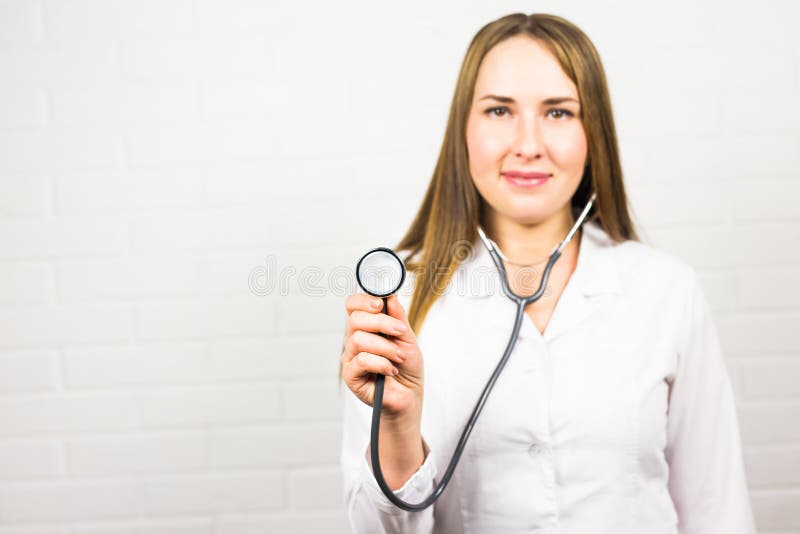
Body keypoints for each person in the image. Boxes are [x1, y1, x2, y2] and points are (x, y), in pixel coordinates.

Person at [338, 12, 756, 534]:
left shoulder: (666, 290)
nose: (528, 143)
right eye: (498, 110)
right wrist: (398, 429)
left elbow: (718, 509)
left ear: (592, 133)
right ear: (463, 130)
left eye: (558, 112)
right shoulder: (400, 304)